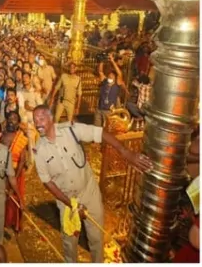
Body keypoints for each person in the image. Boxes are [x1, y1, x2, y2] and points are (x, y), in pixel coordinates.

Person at [32, 104, 152, 263]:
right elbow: (47, 182)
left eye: (41, 118)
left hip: (89, 192)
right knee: (70, 242)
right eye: (35, 120)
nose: (37, 123)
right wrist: (71, 204)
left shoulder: (71, 130)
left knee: (96, 237)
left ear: (51, 118)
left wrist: (125, 152)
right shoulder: (39, 150)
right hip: (66, 201)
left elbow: (100, 133)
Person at [1, 111, 28, 233]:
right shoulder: (1, 135)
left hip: (16, 172)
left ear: (18, 124)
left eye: (15, 119)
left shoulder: (21, 138)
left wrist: (15, 178)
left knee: (14, 198)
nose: (12, 121)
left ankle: (13, 223)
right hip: (1, 171)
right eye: (10, 118)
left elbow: (22, 160)